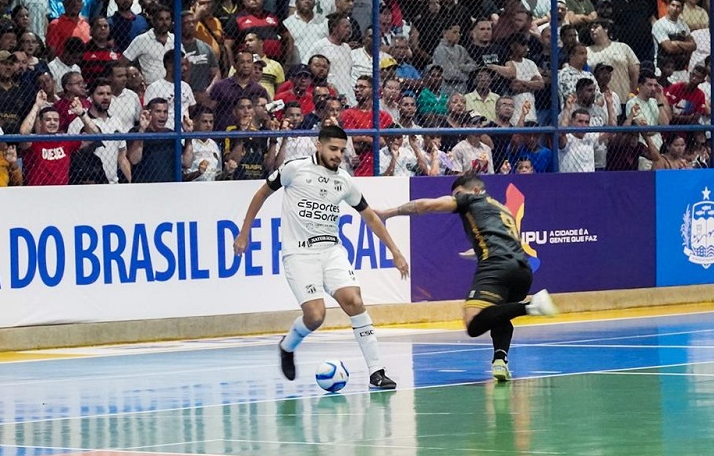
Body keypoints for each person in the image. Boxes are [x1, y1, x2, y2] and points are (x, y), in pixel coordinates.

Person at [232, 124, 408, 390]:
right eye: (333, 149)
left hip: (331, 250)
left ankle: (376, 371)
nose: (338, 155)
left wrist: (395, 252)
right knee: (316, 316)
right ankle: (287, 346)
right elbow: (261, 195)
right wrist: (244, 233)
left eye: (341, 150)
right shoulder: (295, 169)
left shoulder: (345, 181)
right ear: (319, 145)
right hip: (299, 254)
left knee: (354, 300)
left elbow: (369, 215)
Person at [374, 172, 559, 382]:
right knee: (499, 314)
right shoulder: (502, 209)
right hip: (522, 271)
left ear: (476, 190)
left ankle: (531, 306)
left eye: (458, 194)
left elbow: (427, 205)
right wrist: (475, 252)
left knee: (473, 323)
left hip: (496, 266)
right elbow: (503, 239)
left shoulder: (472, 199)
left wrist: (388, 213)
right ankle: (500, 360)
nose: (456, 198)